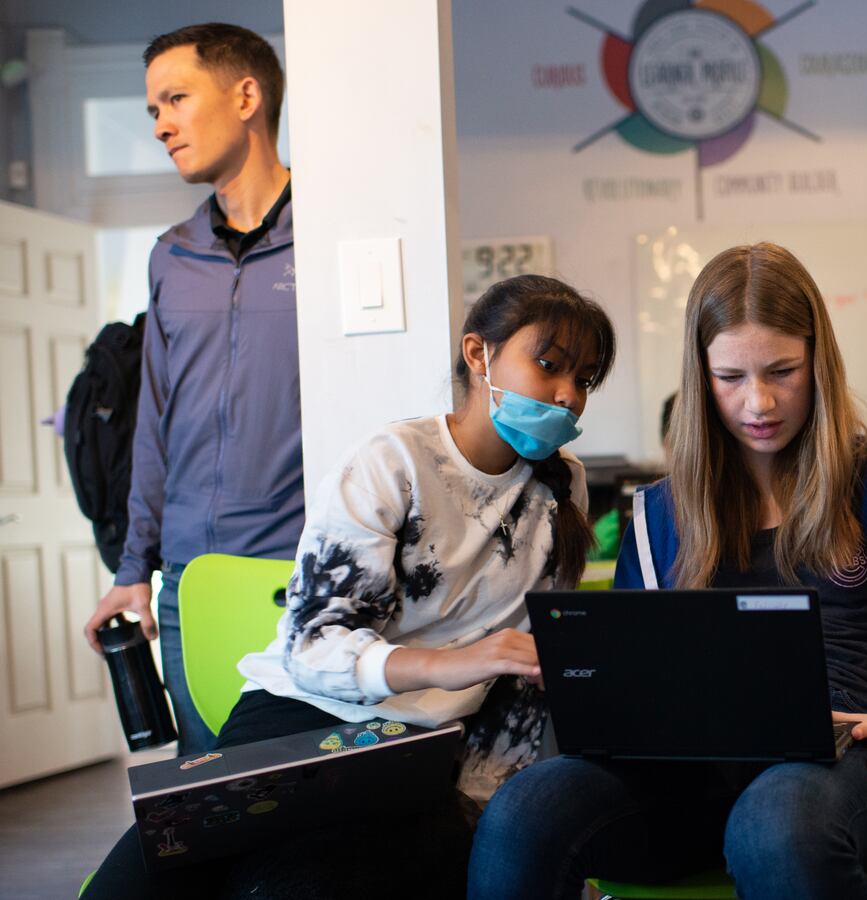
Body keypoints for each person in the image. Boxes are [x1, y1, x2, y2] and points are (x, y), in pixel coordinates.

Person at [467, 243, 867, 900]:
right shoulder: (659, 515)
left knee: (776, 822)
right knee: (526, 812)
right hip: (690, 780)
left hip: (851, 767)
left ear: (819, 363)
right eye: (731, 378)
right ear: (700, 376)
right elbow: (629, 686)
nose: (760, 402)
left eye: (783, 370)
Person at [81, 275, 617, 899]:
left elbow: (528, 680)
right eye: (548, 365)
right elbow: (313, 647)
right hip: (302, 720)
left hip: (417, 758)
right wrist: (452, 664)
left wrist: (485, 809)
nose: (566, 395)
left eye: (583, 379)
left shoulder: (561, 488)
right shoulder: (393, 461)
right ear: (479, 354)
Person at [81, 23, 300, 755]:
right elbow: (156, 425)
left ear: (247, 96)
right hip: (189, 584)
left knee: (303, 795)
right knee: (206, 796)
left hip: (298, 574)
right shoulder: (170, 256)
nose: (161, 125)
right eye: (152, 110)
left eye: (175, 99)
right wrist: (133, 569)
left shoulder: (329, 236)